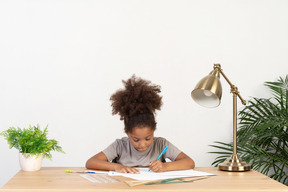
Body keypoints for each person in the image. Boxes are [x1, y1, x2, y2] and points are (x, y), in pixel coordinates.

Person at [86, 75, 195, 173]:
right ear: (127, 133)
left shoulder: (161, 144)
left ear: (153, 130)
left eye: (148, 138)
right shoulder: (120, 146)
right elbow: (91, 162)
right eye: (136, 140)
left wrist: (165, 166)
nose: (142, 145)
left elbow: (189, 162)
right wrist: (117, 167)